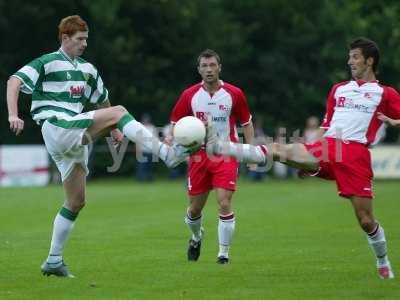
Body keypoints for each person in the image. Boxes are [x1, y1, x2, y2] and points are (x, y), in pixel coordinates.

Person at [7, 15, 189, 278]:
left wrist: (114, 128)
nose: (84, 44)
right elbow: (14, 81)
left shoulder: (88, 70)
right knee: (121, 111)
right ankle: (167, 154)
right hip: (57, 126)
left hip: (73, 133)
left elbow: (103, 100)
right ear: (65, 38)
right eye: (80, 39)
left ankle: (54, 260)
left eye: (86, 40)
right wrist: (14, 114)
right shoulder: (46, 62)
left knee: (76, 201)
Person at [207, 38, 400, 278]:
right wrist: (307, 153)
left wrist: (396, 121)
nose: (350, 61)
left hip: (355, 156)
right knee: (279, 150)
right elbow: (326, 125)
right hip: (328, 147)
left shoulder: (385, 93)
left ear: (369, 61)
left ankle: (383, 262)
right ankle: (219, 147)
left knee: (365, 220)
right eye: (349, 57)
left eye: (355, 57)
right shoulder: (339, 89)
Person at [170, 49, 254, 264]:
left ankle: (223, 255)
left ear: (219, 67)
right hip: (198, 156)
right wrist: (171, 145)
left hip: (226, 153)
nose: (209, 70)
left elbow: (246, 123)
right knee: (194, 209)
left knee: (224, 203)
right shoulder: (189, 95)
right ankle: (196, 237)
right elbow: (174, 125)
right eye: (204, 66)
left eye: (212, 65)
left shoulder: (234, 93)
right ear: (199, 70)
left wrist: (251, 152)